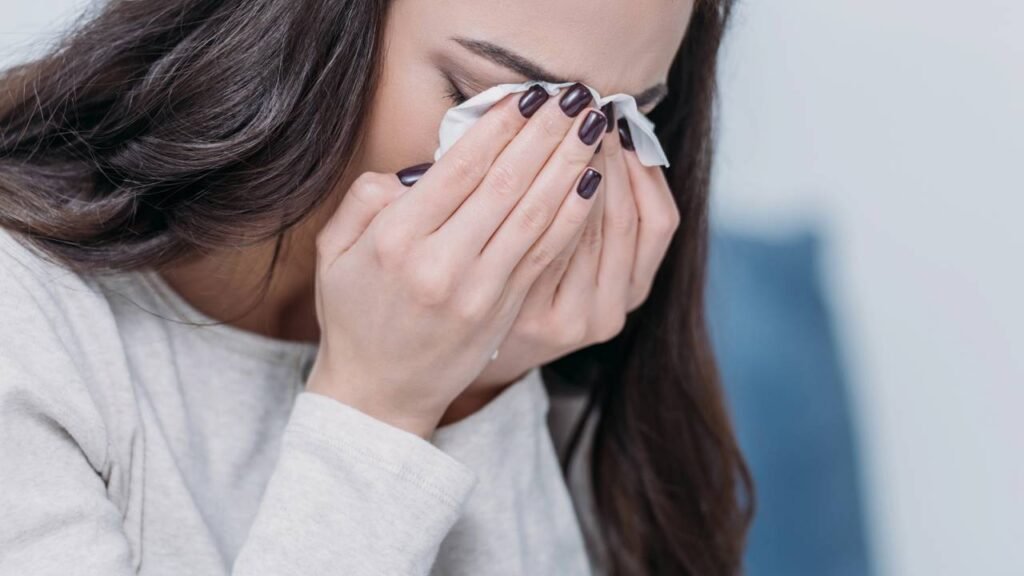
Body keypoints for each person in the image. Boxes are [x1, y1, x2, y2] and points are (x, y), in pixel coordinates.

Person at [0, 0, 753, 574]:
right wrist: (379, 409)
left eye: (625, 122)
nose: (561, 186)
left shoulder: (563, 340)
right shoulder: (28, 315)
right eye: (487, 99)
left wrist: (478, 388)